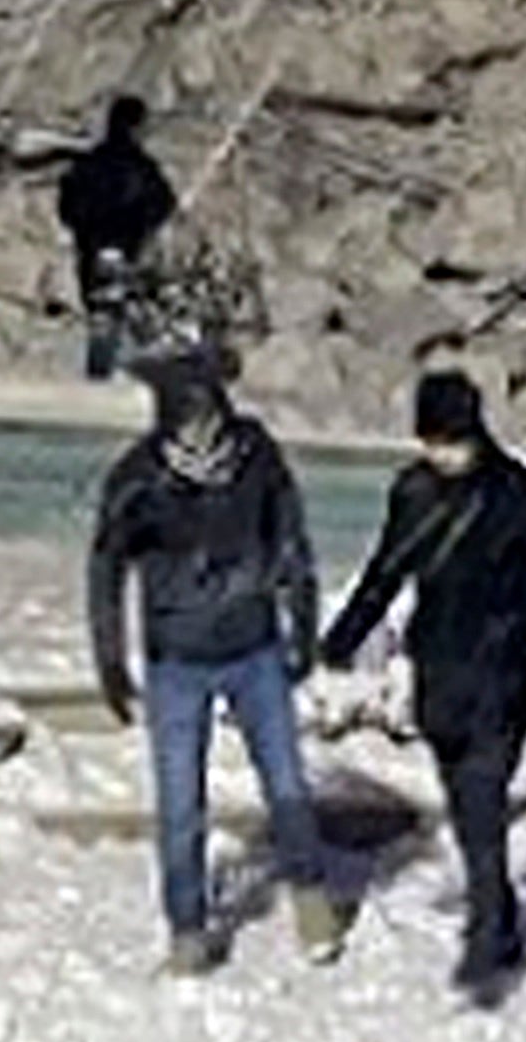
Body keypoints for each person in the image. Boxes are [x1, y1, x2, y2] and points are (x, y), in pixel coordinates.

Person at [86, 343, 352, 973]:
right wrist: (110, 661)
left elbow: (291, 544)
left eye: (206, 409)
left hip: (252, 646)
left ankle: (312, 897)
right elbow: (106, 569)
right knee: (180, 804)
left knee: (286, 786)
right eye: (185, 412)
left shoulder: (258, 458)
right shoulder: (137, 477)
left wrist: (303, 629)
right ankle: (187, 927)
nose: (198, 424)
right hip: (176, 657)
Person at [315, 361, 526, 994]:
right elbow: (387, 570)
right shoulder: (414, 491)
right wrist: (341, 639)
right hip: (442, 671)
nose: (442, 454)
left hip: (503, 671)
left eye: (449, 440)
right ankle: (502, 915)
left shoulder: (523, 495)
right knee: (467, 806)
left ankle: (488, 938)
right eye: (431, 441)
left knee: (483, 798)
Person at [55, 95, 180, 380]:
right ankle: (122, 371)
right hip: (128, 248)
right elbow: (164, 204)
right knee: (126, 310)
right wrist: (142, 227)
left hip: (91, 249)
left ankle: (100, 370)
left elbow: (66, 205)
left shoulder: (90, 162)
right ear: (137, 126)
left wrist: (83, 229)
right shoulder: (142, 166)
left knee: (100, 309)